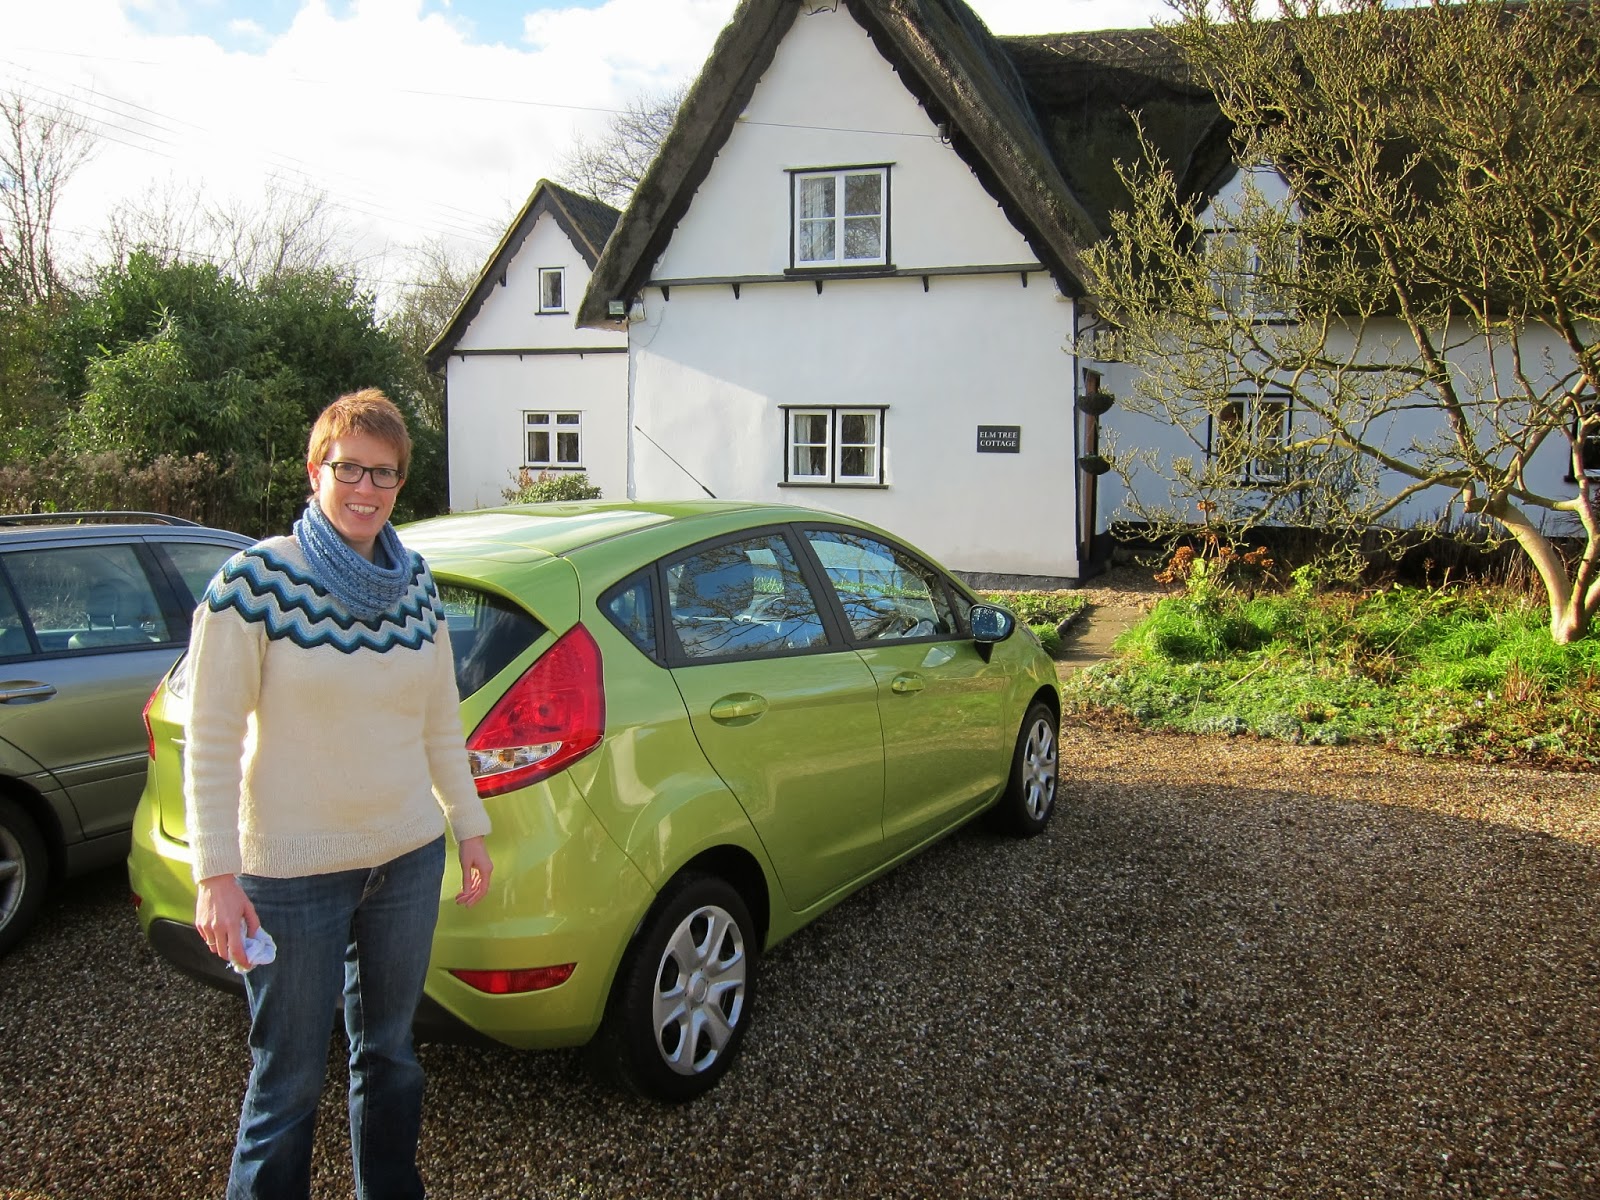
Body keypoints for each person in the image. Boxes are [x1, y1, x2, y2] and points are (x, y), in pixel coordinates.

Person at [186, 388, 493, 1200]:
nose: (366, 488)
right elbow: (211, 737)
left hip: (406, 861)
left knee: (390, 1057)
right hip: (291, 878)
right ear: (315, 469)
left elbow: (439, 721)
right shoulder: (255, 581)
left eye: (384, 473)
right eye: (349, 468)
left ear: (400, 484)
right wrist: (215, 874)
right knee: (286, 1083)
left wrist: (468, 827)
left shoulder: (417, 584)